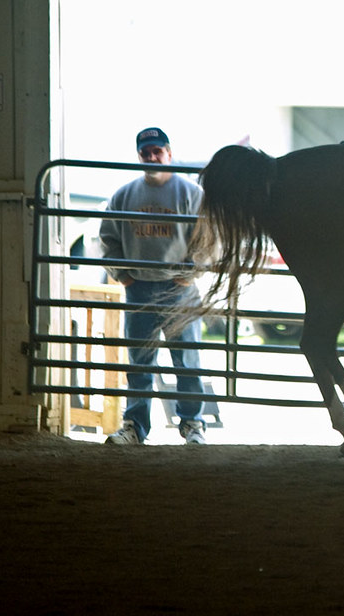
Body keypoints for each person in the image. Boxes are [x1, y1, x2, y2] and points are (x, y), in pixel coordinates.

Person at [100, 127, 207, 446]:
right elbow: (109, 239)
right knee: (140, 361)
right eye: (145, 152)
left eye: (157, 151)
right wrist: (124, 275)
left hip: (180, 290)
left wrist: (191, 273)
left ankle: (192, 424)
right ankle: (135, 426)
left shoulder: (190, 193)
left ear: (169, 153)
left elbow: (207, 239)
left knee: (187, 360)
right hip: (140, 288)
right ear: (139, 156)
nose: (151, 157)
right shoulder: (123, 195)